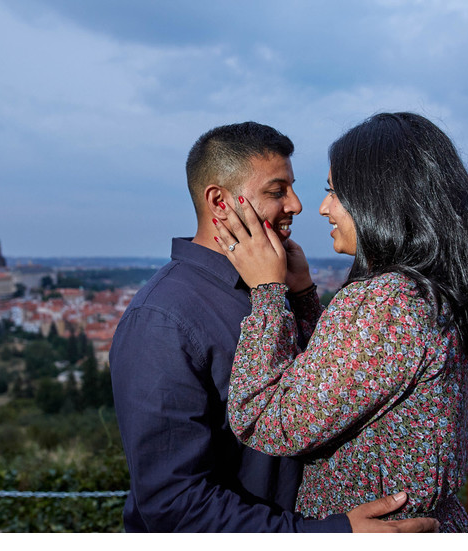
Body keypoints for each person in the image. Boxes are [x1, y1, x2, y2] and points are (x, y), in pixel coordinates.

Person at [110, 121, 439, 533]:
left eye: (293, 187)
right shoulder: (164, 318)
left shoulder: (271, 286)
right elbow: (174, 505)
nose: (298, 205)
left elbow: (325, 392)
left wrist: (298, 295)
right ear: (220, 202)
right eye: (276, 191)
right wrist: (329, 534)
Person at [214, 112, 468, 532]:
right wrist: (305, 295)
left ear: (378, 198)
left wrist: (268, 292)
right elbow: (348, 383)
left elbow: (263, 419)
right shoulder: (423, 290)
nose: (323, 207)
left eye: (335, 192)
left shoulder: (387, 300)